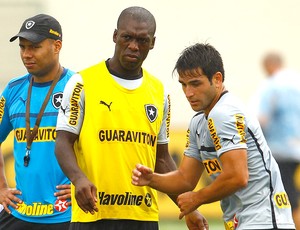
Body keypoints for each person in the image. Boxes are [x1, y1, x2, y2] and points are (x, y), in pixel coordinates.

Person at [54, 6, 208, 230]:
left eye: (142, 40)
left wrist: (188, 207)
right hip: (94, 215)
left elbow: (162, 159)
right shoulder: (82, 82)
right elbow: (62, 143)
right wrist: (78, 179)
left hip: (142, 216)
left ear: (152, 43)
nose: (134, 46)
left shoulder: (159, 92)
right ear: (115, 36)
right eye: (127, 37)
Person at [132, 43, 296, 230]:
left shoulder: (224, 113)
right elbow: (185, 178)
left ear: (217, 79)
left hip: (264, 220)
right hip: (246, 222)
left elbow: (238, 176)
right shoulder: (199, 122)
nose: (188, 93)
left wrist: (196, 198)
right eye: (183, 85)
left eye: (195, 83)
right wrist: (151, 179)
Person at [0, 14, 74, 229]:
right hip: (21, 211)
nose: (26, 54)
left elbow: (101, 143)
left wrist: (86, 182)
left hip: (66, 214)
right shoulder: (12, 90)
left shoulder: (78, 87)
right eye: (23, 47)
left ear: (57, 46)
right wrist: (2, 188)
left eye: (34, 47)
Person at [254, 52, 300, 229]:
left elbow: (263, 118)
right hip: (297, 147)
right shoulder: (296, 82)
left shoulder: (272, 86)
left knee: (288, 196)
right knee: (293, 191)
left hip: (280, 149)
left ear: (269, 65)